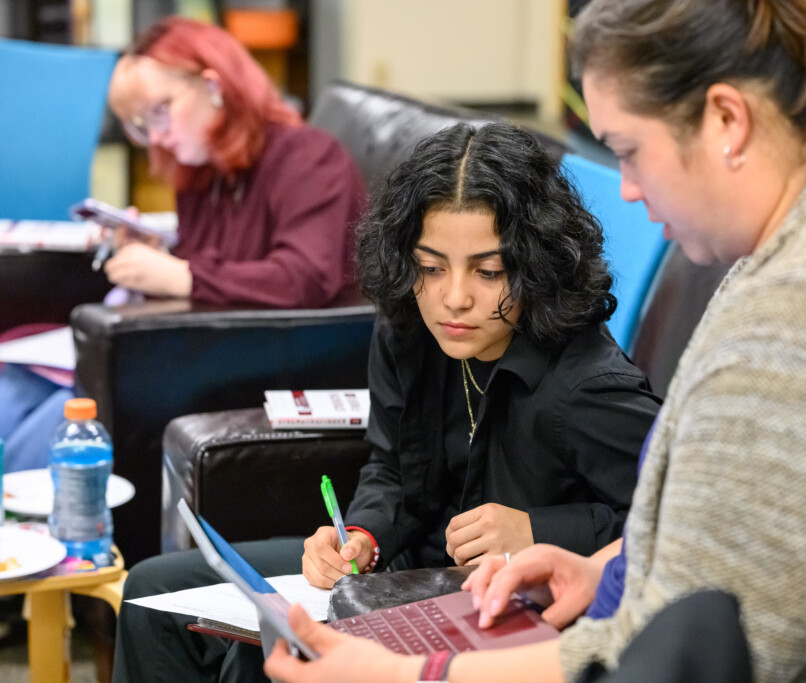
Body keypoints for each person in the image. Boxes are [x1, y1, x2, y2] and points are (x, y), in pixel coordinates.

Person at [262, 1, 806, 681]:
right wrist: (604, 567)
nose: (625, 187)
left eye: (629, 149)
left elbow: (688, 652)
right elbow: (747, 539)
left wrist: (404, 674)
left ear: (727, 120)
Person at [111, 121, 661, 682]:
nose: (454, 298)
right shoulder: (408, 327)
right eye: (430, 267)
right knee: (150, 591)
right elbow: (390, 466)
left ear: (535, 266)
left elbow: (671, 521)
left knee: (272, 649)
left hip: (493, 607)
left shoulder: (587, 388)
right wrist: (363, 535)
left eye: (489, 272)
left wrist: (539, 532)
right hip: (401, 571)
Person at [0, 17, 366, 472]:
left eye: (159, 112)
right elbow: (218, 264)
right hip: (201, 346)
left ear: (213, 86)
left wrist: (181, 274)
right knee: (10, 388)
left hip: (265, 359)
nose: (155, 137)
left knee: (62, 419)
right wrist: (163, 254)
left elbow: (305, 276)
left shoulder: (309, 157)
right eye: (140, 125)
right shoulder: (199, 171)